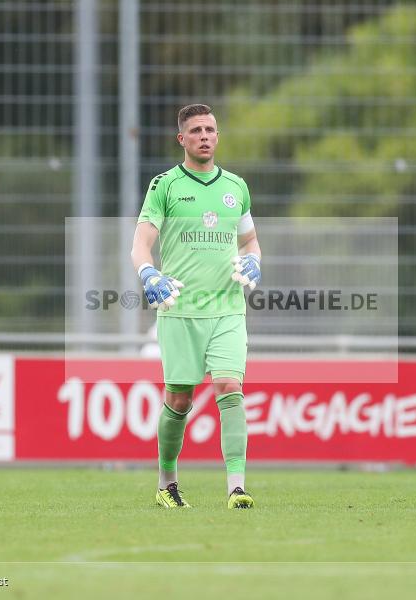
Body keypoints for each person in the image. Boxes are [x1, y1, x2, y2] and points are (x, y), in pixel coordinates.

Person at [130, 104, 261, 509]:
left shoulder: (235, 187)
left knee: (230, 388)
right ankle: (166, 482)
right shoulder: (164, 186)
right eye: (197, 130)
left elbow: (250, 241)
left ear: (218, 137)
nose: (205, 135)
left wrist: (255, 259)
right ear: (182, 139)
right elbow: (140, 245)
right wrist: (149, 275)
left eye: (211, 129)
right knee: (179, 399)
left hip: (227, 308)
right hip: (180, 310)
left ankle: (236, 488)